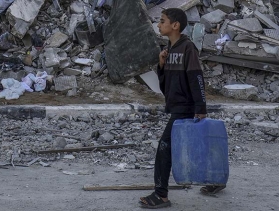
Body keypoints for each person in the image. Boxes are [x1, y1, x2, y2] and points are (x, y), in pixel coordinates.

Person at [139, 8, 209, 209]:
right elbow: (165, 86)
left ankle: (161, 196)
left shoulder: (188, 48)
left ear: (175, 25)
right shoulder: (169, 50)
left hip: (185, 108)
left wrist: (200, 107)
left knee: (164, 149)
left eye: (162, 21)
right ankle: (215, 181)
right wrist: (161, 65)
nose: (159, 25)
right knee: (193, 147)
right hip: (176, 106)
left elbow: (197, 79)